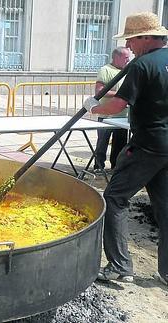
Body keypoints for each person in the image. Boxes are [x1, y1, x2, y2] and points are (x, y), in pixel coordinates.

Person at [83, 12, 168, 285]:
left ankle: (120, 266)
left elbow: (119, 104)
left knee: (114, 198)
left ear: (145, 37)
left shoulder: (141, 65)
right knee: (165, 208)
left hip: (147, 145)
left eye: (131, 39)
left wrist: (93, 107)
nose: (129, 46)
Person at [93, 47, 131, 171]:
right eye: (126, 57)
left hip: (122, 116)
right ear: (117, 57)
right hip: (106, 115)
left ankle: (116, 167)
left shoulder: (128, 70)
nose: (128, 60)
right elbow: (99, 91)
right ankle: (98, 167)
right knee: (102, 143)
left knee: (120, 144)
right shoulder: (105, 70)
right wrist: (121, 94)